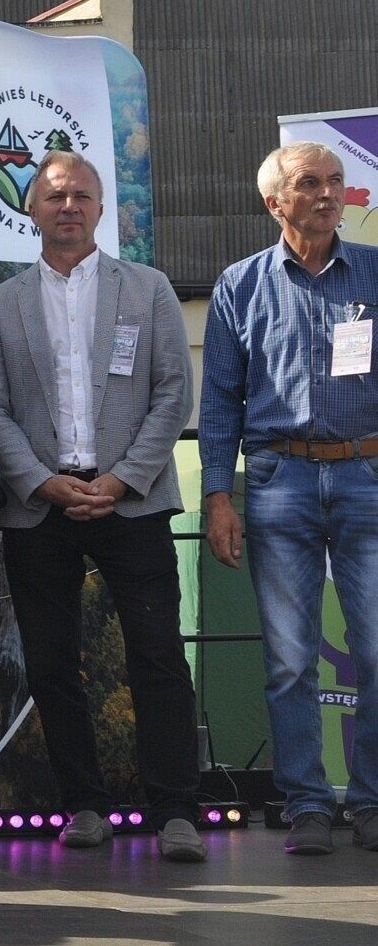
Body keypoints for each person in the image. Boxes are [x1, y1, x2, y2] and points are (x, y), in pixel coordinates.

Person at [0, 152, 205, 862]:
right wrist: (40, 479)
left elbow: (173, 392)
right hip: (37, 505)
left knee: (158, 655)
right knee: (49, 662)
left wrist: (123, 477)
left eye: (79, 195)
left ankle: (174, 810)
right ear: (31, 210)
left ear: (102, 208)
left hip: (129, 502)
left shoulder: (150, 288)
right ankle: (83, 804)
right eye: (52, 196)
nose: (66, 206)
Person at [201, 141, 378, 856]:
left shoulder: (373, 271)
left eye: (336, 181)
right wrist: (217, 494)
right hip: (277, 481)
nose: (328, 193)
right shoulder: (238, 284)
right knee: (287, 657)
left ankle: (367, 801)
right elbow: (218, 400)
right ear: (274, 200)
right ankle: (306, 802)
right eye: (310, 182)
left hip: (366, 475)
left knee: (375, 650)